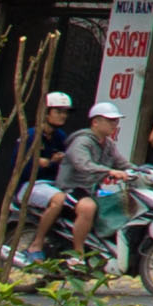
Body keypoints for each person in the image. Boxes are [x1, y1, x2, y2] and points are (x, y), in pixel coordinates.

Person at [23, 92, 121, 258]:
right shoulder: (32, 135)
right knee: (60, 199)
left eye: (65, 112)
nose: (63, 116)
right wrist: (46, 162)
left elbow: (121, 162)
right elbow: (21, 162)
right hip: (32, 183)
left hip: (51, 184)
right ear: (46, 112)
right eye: (58, 111)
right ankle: (38, 244)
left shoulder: (61, 136)